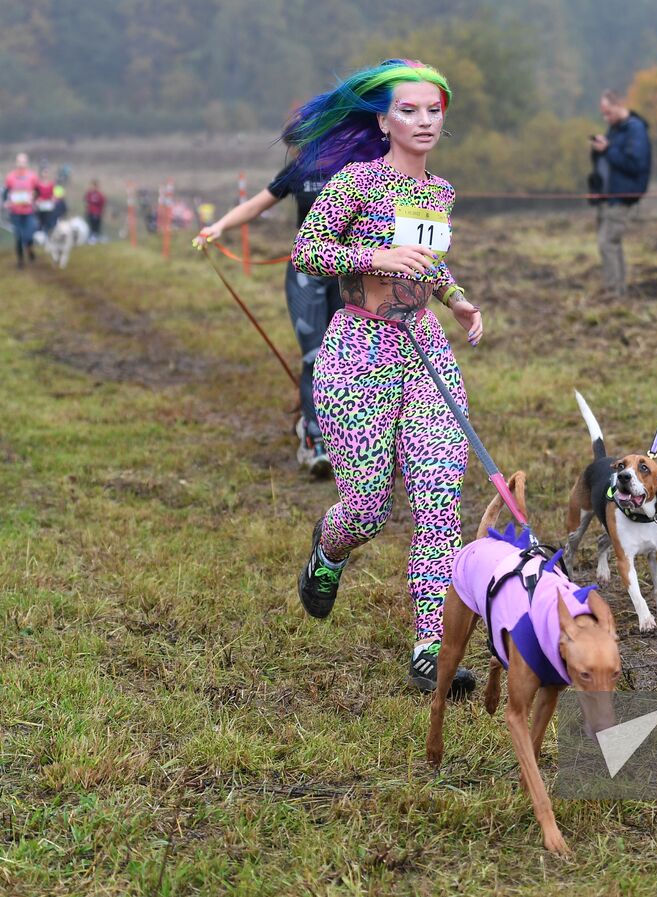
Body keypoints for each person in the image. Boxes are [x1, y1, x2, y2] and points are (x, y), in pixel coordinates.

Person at [283, 59, 483, 696]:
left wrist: (455, 298)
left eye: (434, 111)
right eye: (410, 111)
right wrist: (373, 254)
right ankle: (329, 548)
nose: (424, 122)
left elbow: (429, 263)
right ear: (384, 119)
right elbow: (309, 253)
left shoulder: (440, 192)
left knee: (437, 497)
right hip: (359, 349)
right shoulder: (354, 183)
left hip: (424, 348)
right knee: (367, 508)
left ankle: (431, 647)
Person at [197, 154, 341, 478]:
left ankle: (355, 442)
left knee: (348, 361)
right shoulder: (300, 168)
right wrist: (217, 227)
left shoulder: (362, 163)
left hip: (352, 273)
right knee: (314, 356)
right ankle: (314, 440)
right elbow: (257, 204)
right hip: (307, 271)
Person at [590, 90, 651, 295]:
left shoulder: (635, 129)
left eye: (608, 112)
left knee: (607, 242)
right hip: (609, 196)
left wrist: (607, 150)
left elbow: (635, 164)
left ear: (618, 105)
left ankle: (614, 291)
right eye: (603, 114)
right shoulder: (616, 130)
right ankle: (617, 289)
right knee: (611, 243)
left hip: (623, 196)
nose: (605, 118)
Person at [3, 152, 40, 268]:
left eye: (23, 162)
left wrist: (34, 197)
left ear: (27, 163)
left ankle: (30, 249)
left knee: (28, 235)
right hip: (15, 212)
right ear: (16, 163)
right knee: (18, 236)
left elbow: (38, 192)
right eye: (19, 162)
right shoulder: (10, 177)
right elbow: (5, 193)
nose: (21, 164)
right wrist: (6, 201)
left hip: (28, 211)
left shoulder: (32, 176)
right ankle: (20, 261)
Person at [35, 167, 58, 234]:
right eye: (44, 172)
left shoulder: (51, 184)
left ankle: (47, 232)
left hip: (48, 205)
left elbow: (53, 194)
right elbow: (35, 194)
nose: (45, 174)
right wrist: (37, 200)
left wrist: (53, 199)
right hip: (40, 205)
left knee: (48, 220)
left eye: (47, 172)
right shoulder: (38, 184)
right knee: (40, 220)